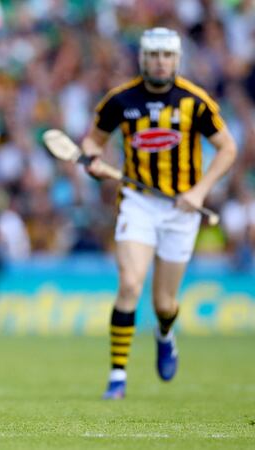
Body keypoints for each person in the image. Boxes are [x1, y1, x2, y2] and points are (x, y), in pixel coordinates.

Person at [81, 28, 237, 400]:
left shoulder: (195, 101)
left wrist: (199, 191)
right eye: (153, 55)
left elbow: (228, 148)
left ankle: (165, 332)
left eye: (167, 55)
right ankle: (117, 376)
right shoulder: (121, 99)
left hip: (181, 208)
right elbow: (92, 141)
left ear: (177, 59)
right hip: (137, 202)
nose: (160, 62)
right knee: (130, 285)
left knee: (164, 303)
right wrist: (93, 160)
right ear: (143, 58)